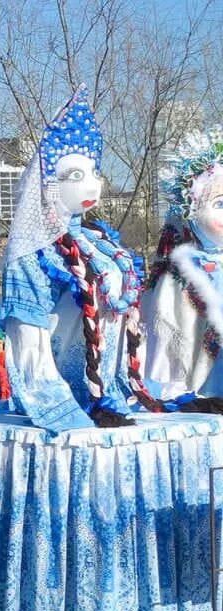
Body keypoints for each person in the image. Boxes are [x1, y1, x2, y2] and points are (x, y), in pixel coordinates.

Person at [0, 87, 161, 433]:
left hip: (106, 394)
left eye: (94, 174)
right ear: (49, 185)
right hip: (62, 388)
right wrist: (48, 394)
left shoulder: (100, 242)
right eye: (76, 176)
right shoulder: (31, 253)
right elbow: (28, 333)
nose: (92, 186)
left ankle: (105, 393)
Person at [143, 125, 223, 410]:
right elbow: (170, 324)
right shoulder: (182, 272)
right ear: (192, 212)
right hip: (201, 384)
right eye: (220, 204)